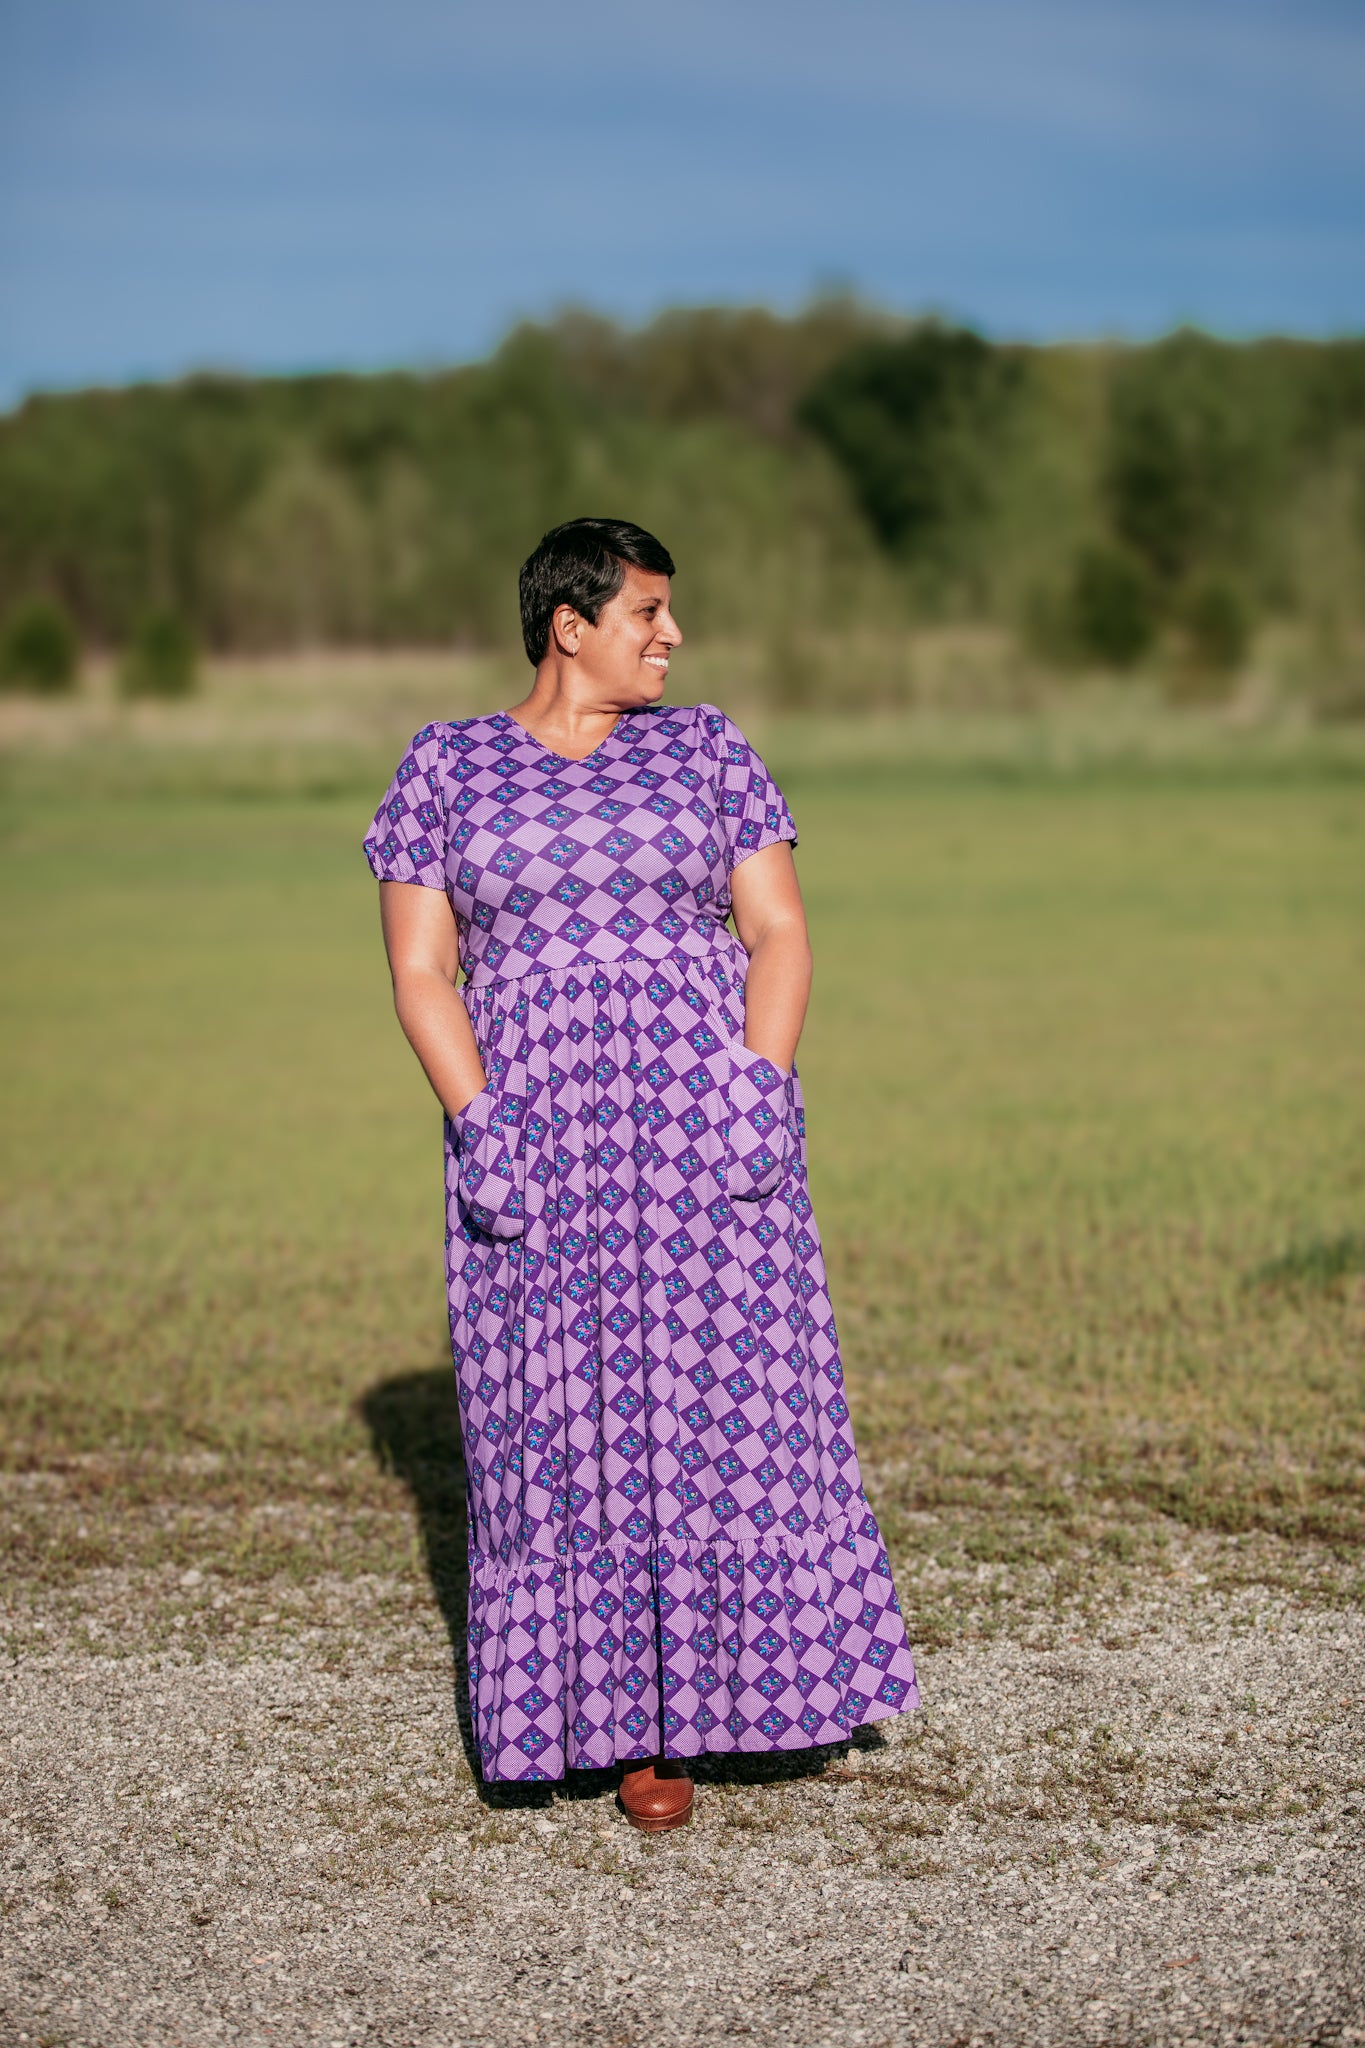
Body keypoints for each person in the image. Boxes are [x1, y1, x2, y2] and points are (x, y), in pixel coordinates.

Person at [364, 517, 918, 1831]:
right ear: (571, 623)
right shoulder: (444, 768)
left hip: (704, 1129)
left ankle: (703, 1711)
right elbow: (418, 969)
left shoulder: (709, 747)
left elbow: (776, 929)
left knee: (719, 1414)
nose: (670, 635)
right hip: (535, 1141)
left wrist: (754, 1092)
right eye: (647, 612)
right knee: (556, 1430)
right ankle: (597, 1719)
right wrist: (479, 1117)